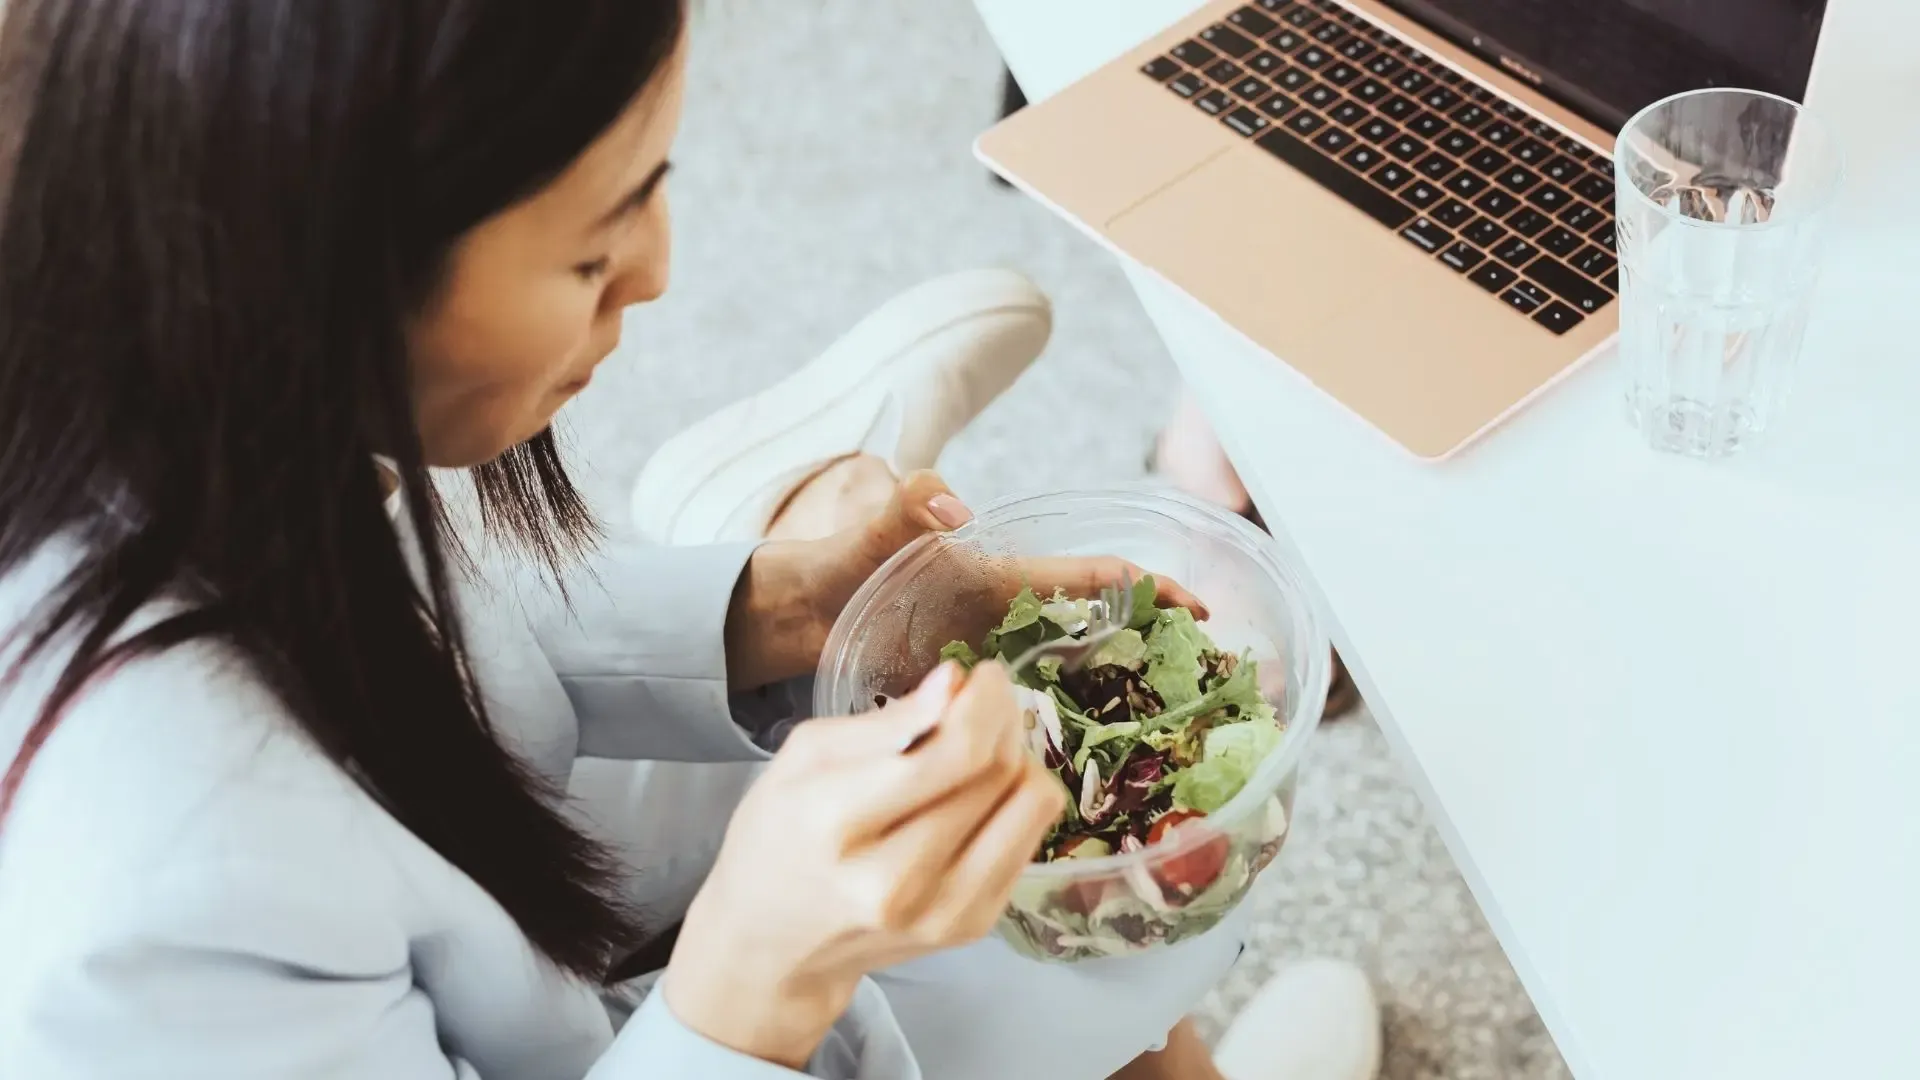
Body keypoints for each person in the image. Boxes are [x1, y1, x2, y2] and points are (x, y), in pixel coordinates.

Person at [0, 4, 1380, 1080]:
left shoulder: (172, 384)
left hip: (517, 907)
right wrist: (756, 974)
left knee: (1042, 869)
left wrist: (765, 609)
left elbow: (444, 644)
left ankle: (736, 529)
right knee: (1004, 928)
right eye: (594, 253)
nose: (658, 275)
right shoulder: (154, 914)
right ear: (326, 287)